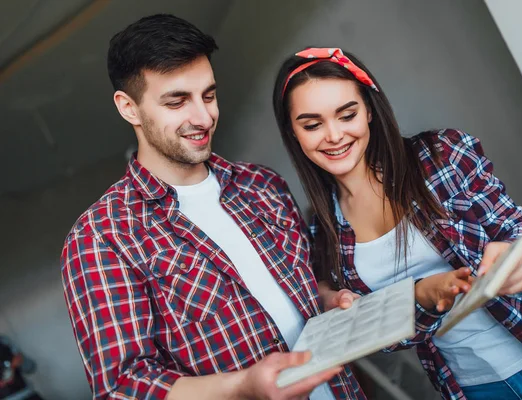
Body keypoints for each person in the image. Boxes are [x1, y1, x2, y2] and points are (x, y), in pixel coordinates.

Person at [60, 17, 365, 400]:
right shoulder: (102, 237)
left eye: (208, 95)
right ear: (129, 108)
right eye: (177, 101)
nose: (203, 117)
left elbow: (296, 292)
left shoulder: (263, 185)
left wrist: (329, 298)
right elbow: (123, 386)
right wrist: (242, 387)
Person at [271, 47, 522, 399]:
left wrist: (521, 258)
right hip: (476, 388)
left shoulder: (442, 155)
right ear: (293, 133)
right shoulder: (323, 232)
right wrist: (421, 297)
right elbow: (381, 340)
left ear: (368, 109)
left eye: (346, 114)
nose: (334, 135)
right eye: (312, 124)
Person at [0, 336, 43, 400]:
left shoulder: (4, 341)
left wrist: (21, 361)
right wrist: (11, 365)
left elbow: (30, 368)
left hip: (28, 394)